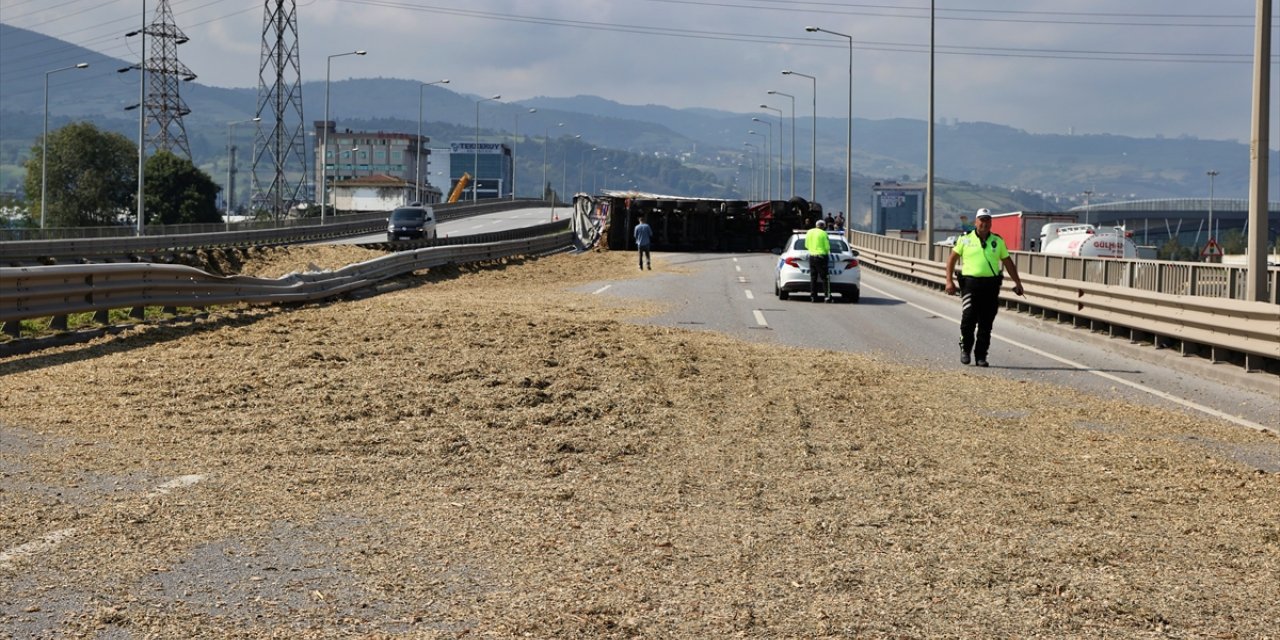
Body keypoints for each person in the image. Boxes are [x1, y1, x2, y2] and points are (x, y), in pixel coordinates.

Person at [945, 208, 1025, 366]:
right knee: (968, 319)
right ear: (976, 222)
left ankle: (981, 356)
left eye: (987, 220)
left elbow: (1008, 262)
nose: (985, 223)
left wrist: (1018, 282)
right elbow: (951, 260)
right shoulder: (965, 239)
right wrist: (949, 281)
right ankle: (965, 349)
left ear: (991, 222)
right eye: (981, 220)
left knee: (986, 323)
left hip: (991, 286)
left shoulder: (997, 241)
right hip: (970, 285)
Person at [805, 218, 832, 302]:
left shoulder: (809, 232)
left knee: (813, 277)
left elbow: (806, 245)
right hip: (821, 257)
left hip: (811, 256)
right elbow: (827, 247)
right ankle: (827, 296)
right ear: (823, 227)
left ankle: (813, 296)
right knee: (825, 278)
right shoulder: (824, 234)